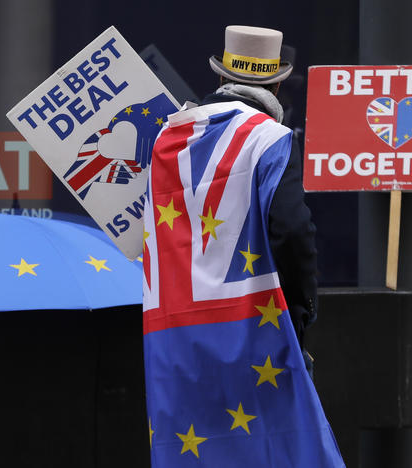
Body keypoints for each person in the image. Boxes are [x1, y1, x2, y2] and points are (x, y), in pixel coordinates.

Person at [141, 25, 344, 466]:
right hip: (254, 333)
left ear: (220, 77)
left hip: (172, 339)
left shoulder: (165, 141)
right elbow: (292, 230)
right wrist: (301, 314)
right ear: (275, 84)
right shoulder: (271, 138)